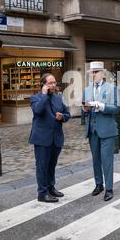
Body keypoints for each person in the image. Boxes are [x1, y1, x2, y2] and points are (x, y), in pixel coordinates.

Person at [29, 73, 71, 203]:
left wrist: (62, 117)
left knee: (51, 165)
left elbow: (68, 114)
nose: (53, 85)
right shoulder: (35, 98)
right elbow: (38, 110)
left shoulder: (59, 98)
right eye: (50, 83)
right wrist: (43, 94)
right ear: (43, 84)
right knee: (42, 166)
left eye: (54, 82)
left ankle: (51, 188)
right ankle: (42, 193)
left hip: (56, 137)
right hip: (42, 138)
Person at [82, 61, 120, 201]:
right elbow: (84, 108)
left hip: (107, 130)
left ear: (102, 74)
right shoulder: (86, 90)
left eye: (95, 72)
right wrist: (84, 109)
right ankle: (99, 184)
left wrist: (101, 106)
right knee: (96, 159)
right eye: (91, 72)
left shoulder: (112, 88)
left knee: (107, 160)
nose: (93, 75)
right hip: (92, 130)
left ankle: (109, 188)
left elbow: (117, 109)